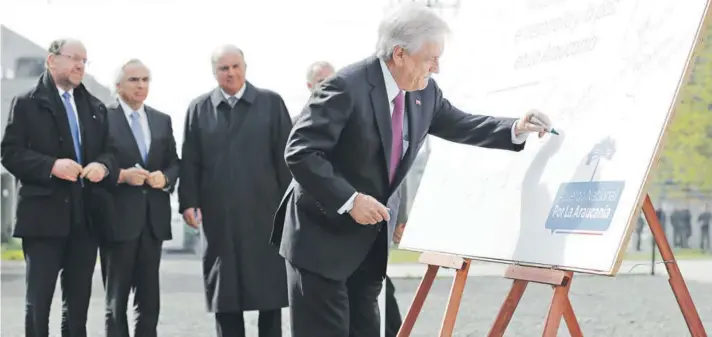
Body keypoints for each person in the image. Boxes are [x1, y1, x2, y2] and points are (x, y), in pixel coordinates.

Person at [271, 4, 553, 336]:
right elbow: (302, 152)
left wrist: (516, 128)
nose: (437, 67)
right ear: (400, 54)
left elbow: (460, 123)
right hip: (320, 240)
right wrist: (350, 200)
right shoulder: (345, 87)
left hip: (366, 246)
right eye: (431, 58)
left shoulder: (425, 91)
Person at [0, 38, 117, 337]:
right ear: (52, 61)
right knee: (38, 305)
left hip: (86, 218)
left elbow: (110, 152)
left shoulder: (95, 107)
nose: (80, 65)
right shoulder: (26, 103)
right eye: (74, 58)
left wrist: (102, 166)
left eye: (84, 59)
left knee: (77, 308)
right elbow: (10, 153)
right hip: (43, 218)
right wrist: (51, 166)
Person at [179, 44, 292, 337]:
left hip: (265, 215)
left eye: (235, 66)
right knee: (224, 296)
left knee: (270, 296)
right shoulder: (199, 108)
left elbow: (286, 160)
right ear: (214, 72)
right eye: (223, 68)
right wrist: (188, 202)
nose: (230, 73)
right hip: (219, 218)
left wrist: (290, 208)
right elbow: (190, 160)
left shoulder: (271, 103)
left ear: (245, 67)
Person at [100, 59, 179, 337]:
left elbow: (174, 163)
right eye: (134, 80)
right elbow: (95, 162)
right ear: (118, 85)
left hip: (152, 222)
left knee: (149, 303)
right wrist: (121, 174)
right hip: (117, 221)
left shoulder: (161, 119)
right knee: (115, 303)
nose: (141, 85)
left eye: (145, 79)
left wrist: (166, 178)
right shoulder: (102, 117)